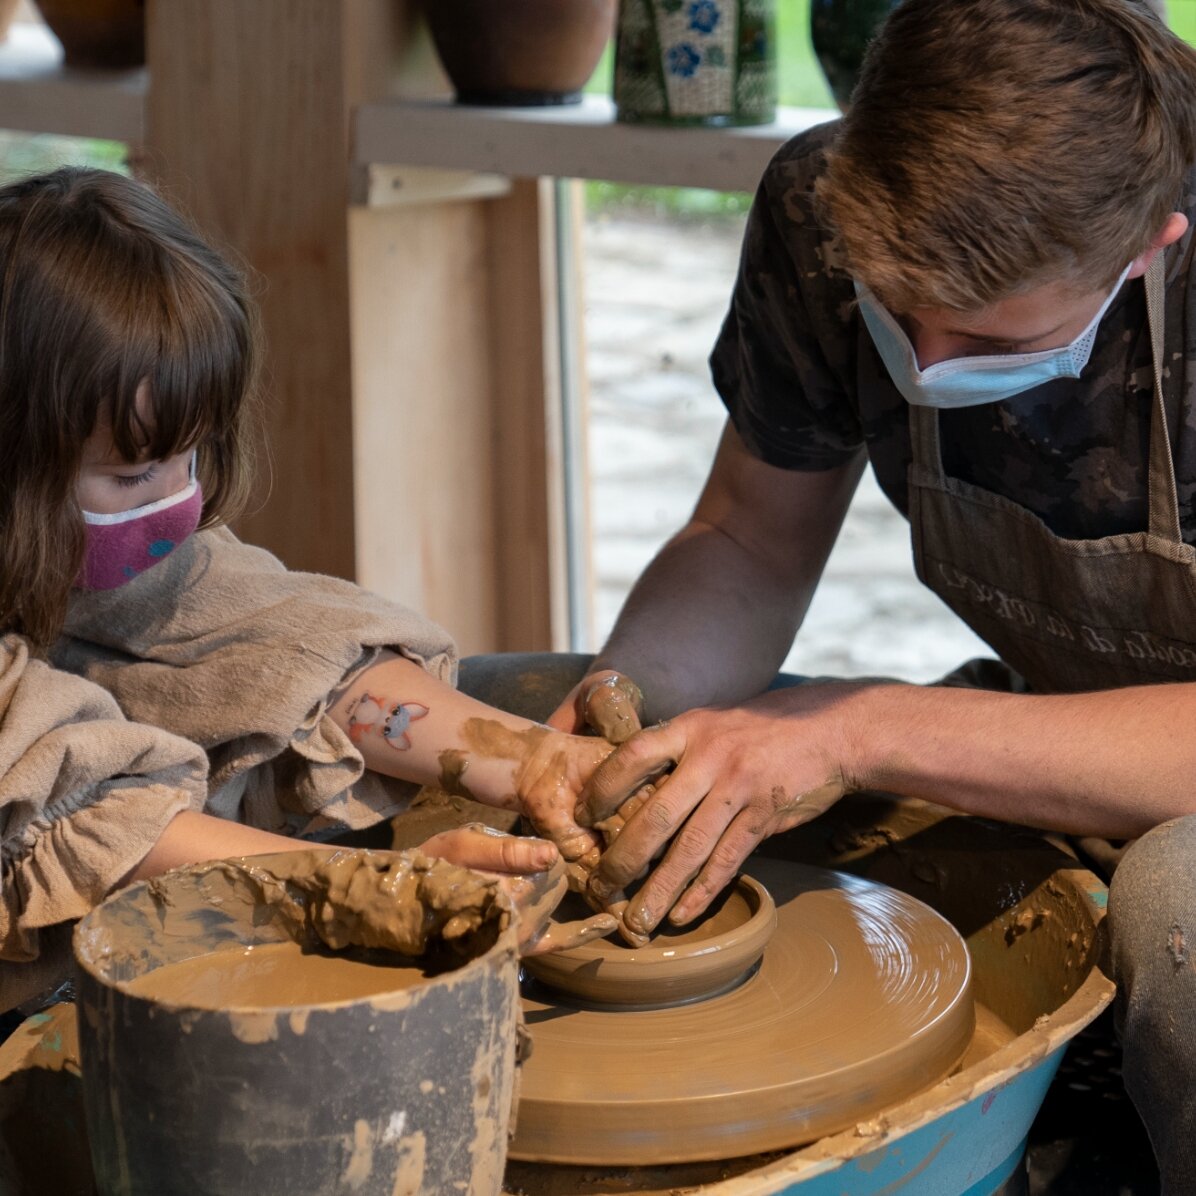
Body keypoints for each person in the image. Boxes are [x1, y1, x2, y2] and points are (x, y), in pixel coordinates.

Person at [546, 0, 1196, 1185]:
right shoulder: (820, 206)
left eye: (990, 341)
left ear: (1148, 245)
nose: (928, 366)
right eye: (896, 311)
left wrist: (859, 726)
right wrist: (613, 718)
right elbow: (748, 539)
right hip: (1054, 713)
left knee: (1179, 906)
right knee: (632, 751)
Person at [0, 166, 616, 1010]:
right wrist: (373, 891)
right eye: (136, 473)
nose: (182, 502)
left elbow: (270, 637)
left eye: (191, 456)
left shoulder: (86, 537)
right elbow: (60, 810)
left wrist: (535, 760)